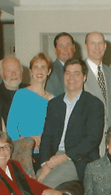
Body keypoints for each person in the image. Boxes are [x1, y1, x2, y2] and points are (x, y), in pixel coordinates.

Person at [37, 58, 104, 186]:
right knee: (32, 184)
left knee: (45, 185)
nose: (71, 77)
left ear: (84, 77)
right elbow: (46, 137)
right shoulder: (54, 104)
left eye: (76, 73)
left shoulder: (94, 104)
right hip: (53, 157)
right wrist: (45, 164)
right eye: (68, 73)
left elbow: (92, 139)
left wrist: (63, 157)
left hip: (77, 160)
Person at [6, 53, 53, 170]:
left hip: (46, 153)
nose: (39, 70)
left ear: (49, 71)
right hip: (25, 152)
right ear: (31, 71)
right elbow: (11, 127)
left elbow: (55, 130)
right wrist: (26, 144)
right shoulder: (21, 94)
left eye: (43, 67)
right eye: (36, 67)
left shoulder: (54, 100)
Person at [84, 32, 111, 152]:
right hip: (87, 140)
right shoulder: (77, 72)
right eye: (92, 43)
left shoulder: (110, 72)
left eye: (100, 43)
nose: (97, 47)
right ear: (85, 46)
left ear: (105, 46)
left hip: (110, 140)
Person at [45, 32, 76, 97]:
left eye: (68, 45)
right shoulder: (49, 71)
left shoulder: (82, 68)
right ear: (55, 50)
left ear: (74, 48)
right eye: (61, 46)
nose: (65, 49)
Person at [0, 56, 25, 121]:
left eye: (16, 70)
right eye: (8, 71)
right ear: (1, 73)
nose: (13, 74)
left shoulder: (30, 91)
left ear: (22, 70)